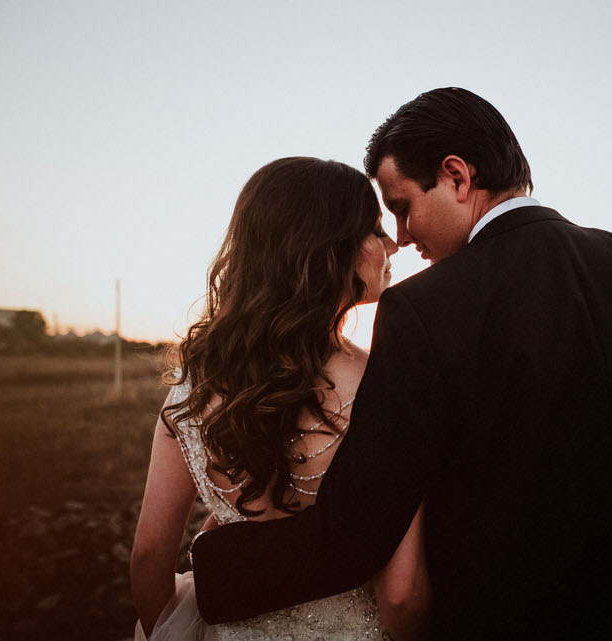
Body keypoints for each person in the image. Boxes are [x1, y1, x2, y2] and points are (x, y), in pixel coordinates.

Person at [191, 88, 612, 640]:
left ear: (456, 176)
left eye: (403, 207)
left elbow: (353, 536)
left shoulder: (426, 309)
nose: (401, 236)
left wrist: (211, 567)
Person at [129, 157, 429, 640]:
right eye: (375, 230)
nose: (393, 243)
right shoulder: (382, 381)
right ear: (328, 249)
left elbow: (148, 557)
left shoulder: (194, 385)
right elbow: (400, 596)